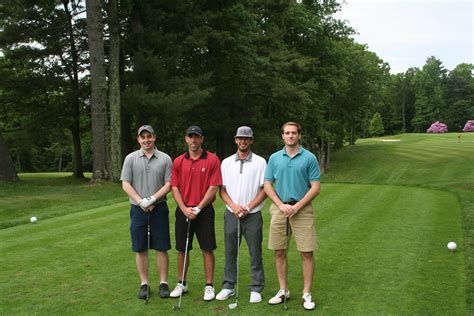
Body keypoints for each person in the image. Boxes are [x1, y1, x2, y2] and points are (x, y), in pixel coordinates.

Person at [264, 122, 321, 311]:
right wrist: (280, 205)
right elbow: (268, 185)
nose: (290, 136)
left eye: (294, 133)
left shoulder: (309, 158)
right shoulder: (274, 158)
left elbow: (315, 187)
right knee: (279, 251)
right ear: (282, 136)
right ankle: (283, 290)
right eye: (287, 133)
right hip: (279, 209)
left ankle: (306, 293)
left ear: (299, 136)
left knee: (306, 251)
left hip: (302, 209)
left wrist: (297, 206)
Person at [169, 125, 222, 301]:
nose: (193, 140)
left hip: (204, 210)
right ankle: (182, 283)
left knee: (207, 248)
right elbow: (174, 187)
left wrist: (198, 208)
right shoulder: (178, 161)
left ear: (202, 139)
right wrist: (184, 209)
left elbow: (214, 187)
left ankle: (209, 286)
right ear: (186, 139)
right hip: (183, 209)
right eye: (190, 137)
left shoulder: (212, 160)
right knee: (182, 249)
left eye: (196, 137)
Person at [120, 125, 173, 300]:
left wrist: (152, 199)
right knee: (140, 247)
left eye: (149, 136)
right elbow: (126, 183)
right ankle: (144, 284)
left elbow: (169, 184)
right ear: (138, 140)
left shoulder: (165, 159)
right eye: (143, 137)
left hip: (159, 208)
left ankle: (163, 283)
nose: (146, 140)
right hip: (137, 210)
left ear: (154, 137)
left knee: (161, 246)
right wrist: (141, 201)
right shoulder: (130, 158)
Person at [216, 126, 267, 303]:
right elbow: (221, 190)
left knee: (255, 252)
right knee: (230, 252)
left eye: (246, 139)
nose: (243, 141)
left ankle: (256, 287)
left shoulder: (260, 162)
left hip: (253, 214)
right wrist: (235, 207)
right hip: (231, 213)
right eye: (240, 138)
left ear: (251, 140)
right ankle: (228, 286)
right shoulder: (226, 162)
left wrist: (247, 207)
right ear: (236, 140)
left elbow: (264, 190)